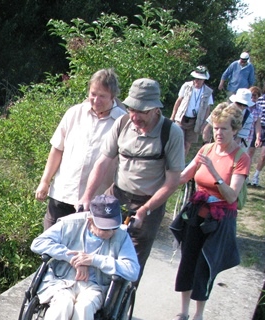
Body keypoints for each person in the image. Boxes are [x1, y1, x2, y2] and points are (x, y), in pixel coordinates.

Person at [10, 195, 139, 320]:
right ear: (90, 220)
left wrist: (94, 260)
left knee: (84, 309)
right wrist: (73, 258)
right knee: (62, 305)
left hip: (95, 287)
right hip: (62, 280)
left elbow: (132, 270)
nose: (109, 232)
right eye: (103, 227)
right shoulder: (71, 223)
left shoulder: (120, 236)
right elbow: (38, 243)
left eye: (112, 227)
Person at [78, 78, 185, 281]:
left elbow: (172, 182)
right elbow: (103, 162)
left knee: (131, 261)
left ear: (155, 109)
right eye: (131, 109)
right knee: (97, 242)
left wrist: (145, 210)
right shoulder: (123, 123)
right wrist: (87, 196)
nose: (135, 116)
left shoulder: (171, 133)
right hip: (117, 194)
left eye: (142, 111)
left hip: (148, 202)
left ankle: (122, 302)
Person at [167, 103, 250, 320]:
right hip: (196, 215)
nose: (219, 133)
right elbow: (184, 176)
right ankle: (182, 314)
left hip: (220, 220)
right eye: (215, 128)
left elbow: (232, 195)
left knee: (205, 267)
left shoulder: (240, 157)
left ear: (234, 130)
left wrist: (213, 172)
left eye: (224, 128)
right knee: (187, 263)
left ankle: (198, 319)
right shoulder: (206, 149)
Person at [36, 69, 126, 229]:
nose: (96, 100)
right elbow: (57, 149)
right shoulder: (74, 113)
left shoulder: (122, 121)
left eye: (102, 96)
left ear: (113, 96)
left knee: (82, 250)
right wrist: (44, 181)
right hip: (63, 193)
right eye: (93, 94)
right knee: (49, 246)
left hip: (96, 202)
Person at [171, 66, 214, 155]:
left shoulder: (208, 91)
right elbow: (179, 100)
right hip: (181, 118)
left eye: (200, 79)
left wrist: (204, 123)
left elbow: (207, 108)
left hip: (195, 121)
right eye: (196, 78)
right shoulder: (186, 86)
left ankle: (182, 163)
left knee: (187, 143)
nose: (197, 81)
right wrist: (173, 115)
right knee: (179, 141)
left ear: (204, 80)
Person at [246, 86, 263, 163]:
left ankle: (245, 173)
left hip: (251, 134)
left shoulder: (259, 108)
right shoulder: (244, 106)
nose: (254, 96)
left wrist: (258, 138)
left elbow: (258, 124)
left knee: (249, 154)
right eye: (252, 94)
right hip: (241, 133)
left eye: (256, 95)